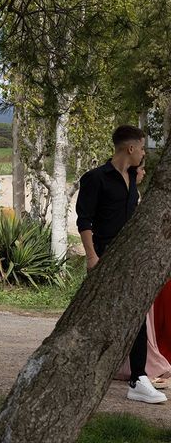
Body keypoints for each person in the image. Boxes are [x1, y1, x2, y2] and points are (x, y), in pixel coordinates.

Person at [76, 124, 165, 404]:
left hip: (128, 257)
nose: (143, 153)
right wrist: (92, 257)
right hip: (104, 256)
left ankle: (139, 379)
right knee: (98, 317)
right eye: (141, 148)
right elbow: (84, 221)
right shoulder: (95, 178)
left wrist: (135, 182)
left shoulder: (131, 177)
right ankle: (82, 371)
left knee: (135, 316)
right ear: (130, 148)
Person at [115, 161, 171, 388]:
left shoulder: (134, 194)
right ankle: (140, 367)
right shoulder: (131, 196)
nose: (145, 172)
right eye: (142, 168)